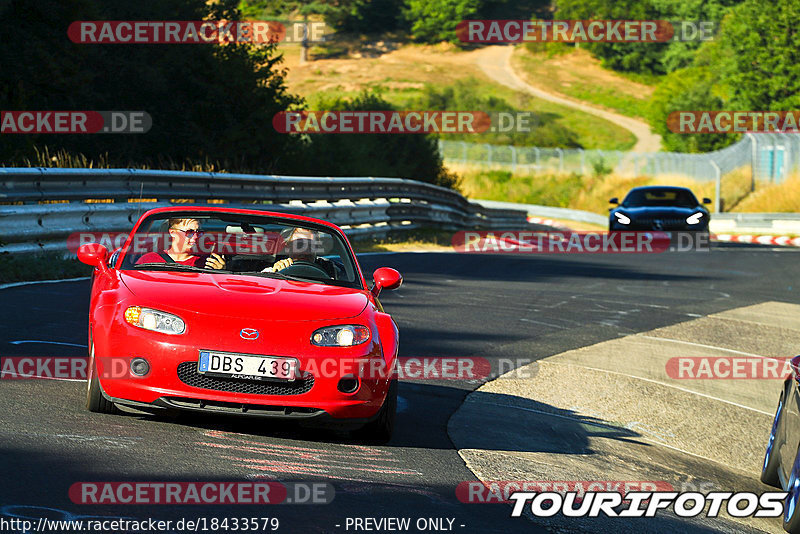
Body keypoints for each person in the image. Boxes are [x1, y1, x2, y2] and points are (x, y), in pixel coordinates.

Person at [136, 217, 226, 269]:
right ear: (173, 233)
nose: (195, 237)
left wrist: (220, 272)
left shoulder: (208, 263)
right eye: (189, 232)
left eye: (198, 232)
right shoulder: (148, 260)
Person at [262, 227, 336, 277]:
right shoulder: (275, 269)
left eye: (310, 246)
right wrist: (276, 273)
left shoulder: (330, 271)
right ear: (288, 247)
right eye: (298, 245)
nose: (304, 252)